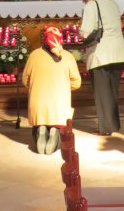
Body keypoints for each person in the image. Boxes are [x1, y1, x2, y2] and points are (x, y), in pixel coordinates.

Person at [76, 0, 124, 136]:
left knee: (102, 93)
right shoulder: (112, 3)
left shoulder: (91, 5)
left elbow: (85, 32)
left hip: (101, 53)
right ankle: (114, 125)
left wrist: (78, 33)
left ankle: (105, 128)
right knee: (112, 92)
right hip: (118, 52)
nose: (83, 2)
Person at [22, 26, 81, 154]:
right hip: (58, 105)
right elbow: (77, 83)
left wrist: (35, 86)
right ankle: (55, 130)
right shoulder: (68, 56)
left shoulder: (34, 55)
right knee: (59, 119)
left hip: (38, 105)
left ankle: (41, 128)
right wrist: (64, 87)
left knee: (40, 118)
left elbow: (25, 80)